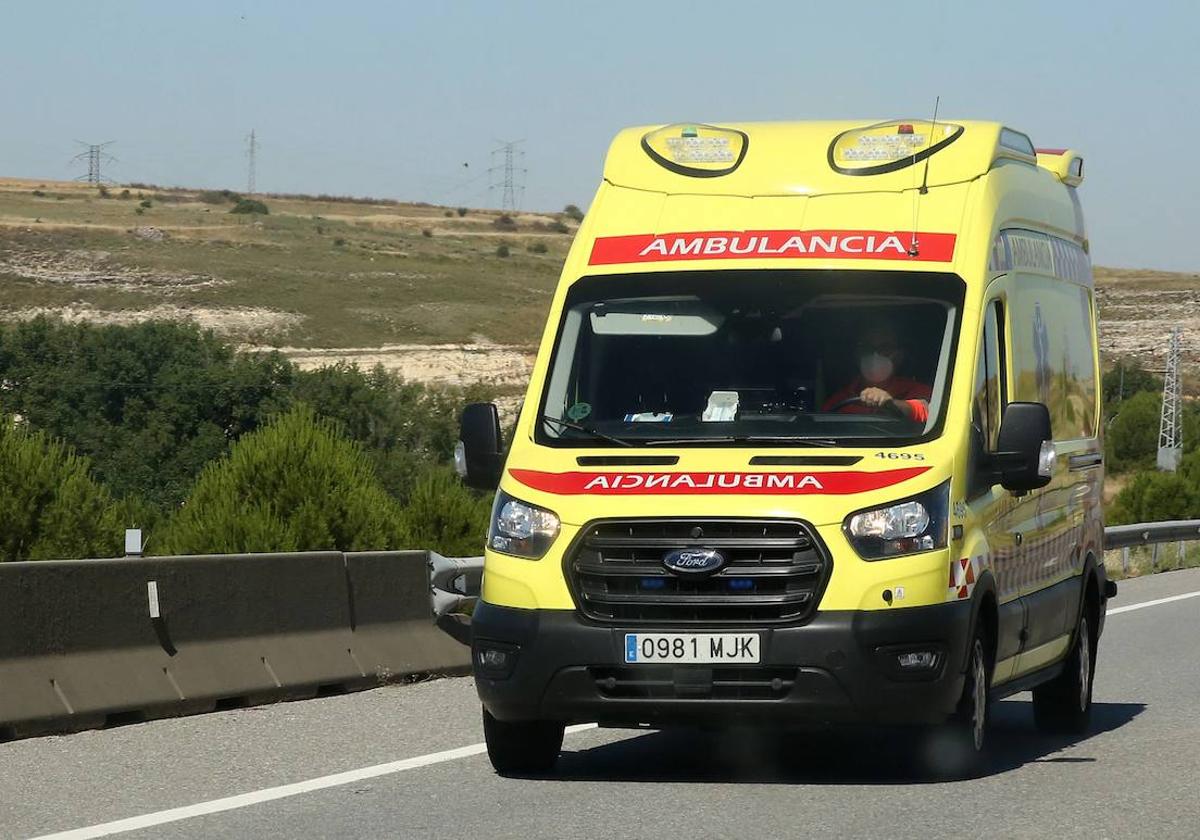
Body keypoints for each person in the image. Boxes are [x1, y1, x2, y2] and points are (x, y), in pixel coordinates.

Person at [822, 323, 931, 422]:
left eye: (885, 348)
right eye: (867, 348)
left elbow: (928, 413)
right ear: (857, 355)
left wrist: (891, 405)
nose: (875, 355)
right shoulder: (839, 400)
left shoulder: (918, 391)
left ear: (899, 356)